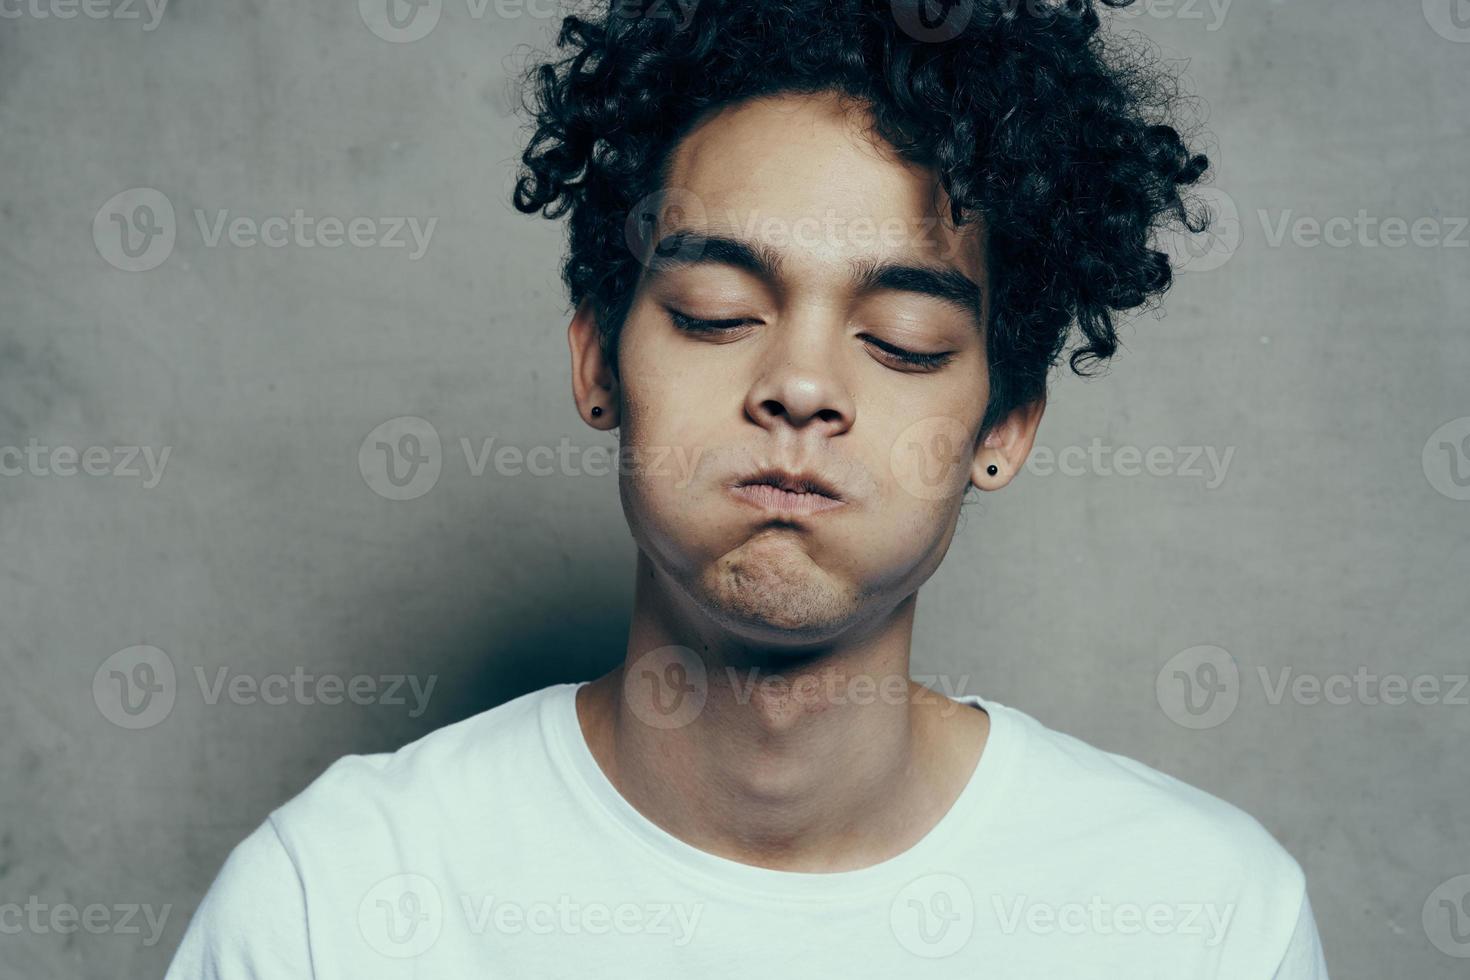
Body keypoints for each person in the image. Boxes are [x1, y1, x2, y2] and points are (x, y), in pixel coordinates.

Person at [165, 1, 1330, 975]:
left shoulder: (1206, 920)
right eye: (716, 315)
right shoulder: (334, 900)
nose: (801, 387)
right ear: (596, 361)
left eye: (905, 339)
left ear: (1004, 427)